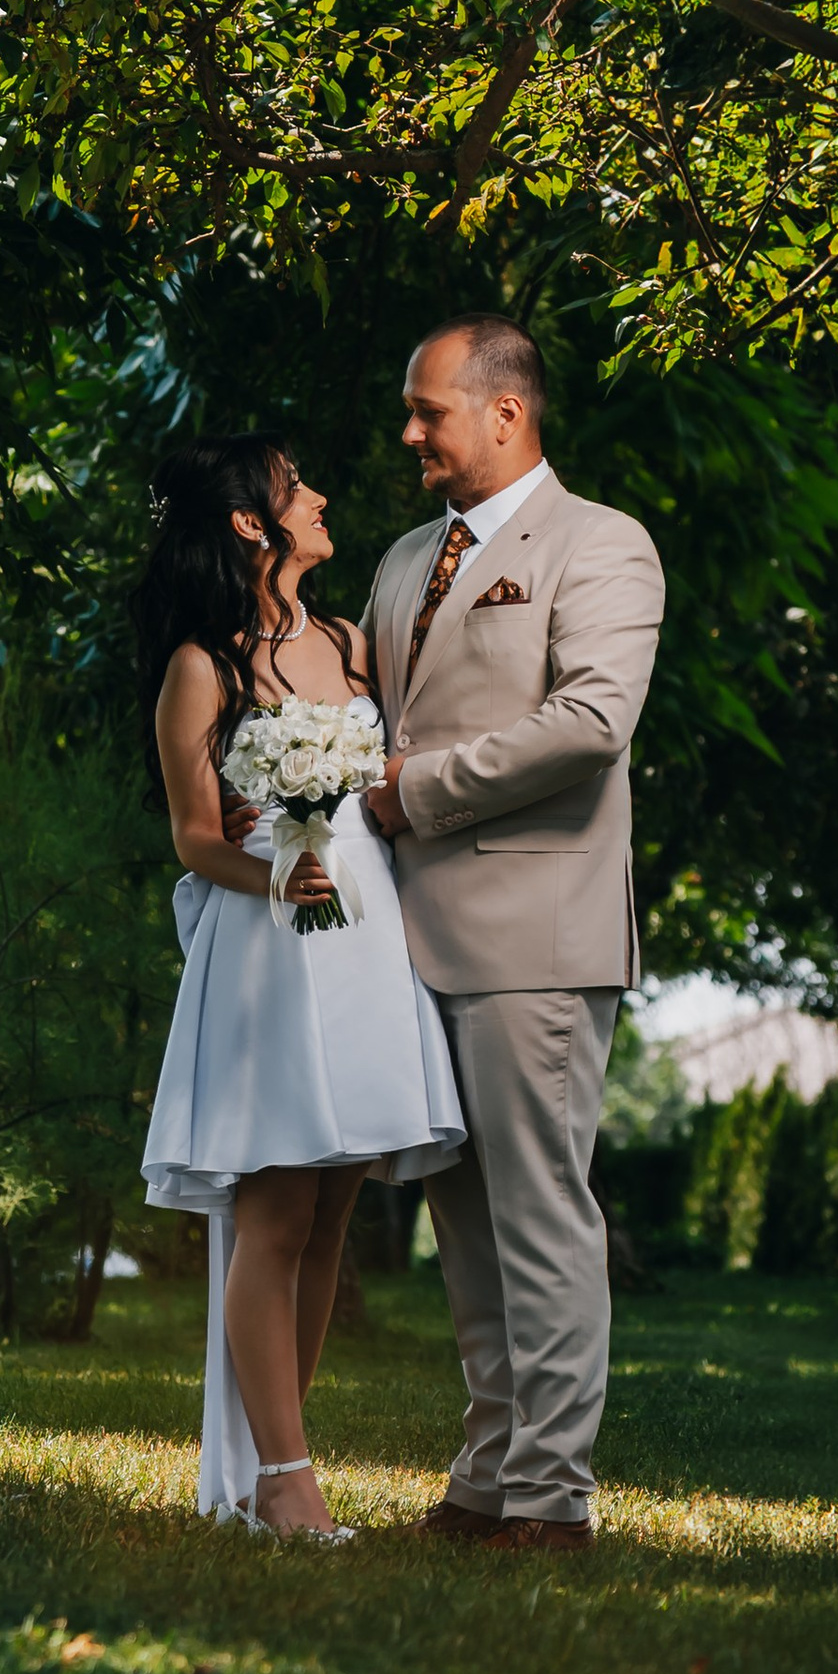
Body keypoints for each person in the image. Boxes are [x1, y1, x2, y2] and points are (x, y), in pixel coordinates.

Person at [360, 320, 667, 1549]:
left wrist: (411, 790)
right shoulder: (396, 562)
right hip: (406, 944)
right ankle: (488, 1473)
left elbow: (590, 721)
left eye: (430, 411)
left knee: (540, 1214)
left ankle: (552, 1493)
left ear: (506, 412)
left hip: (536, 936)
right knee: (463, 1224)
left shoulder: (601, 545)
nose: (411, 433)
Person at [135, 435, 465, 1540]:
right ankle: (282, 1475)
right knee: (274, 1205)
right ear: (249, 524)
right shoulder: (204, 667)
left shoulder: (350, 645)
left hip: (362, 939)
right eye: (296, 488)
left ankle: (281, 1454)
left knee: (332, 1207)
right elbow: (193, 839)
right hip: (272, 946)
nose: (320, 496)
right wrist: (278, 865)